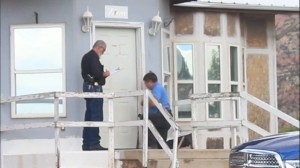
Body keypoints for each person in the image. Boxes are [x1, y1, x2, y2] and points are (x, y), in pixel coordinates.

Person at [81, 40, 110, 151]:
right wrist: (106, 74)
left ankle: (86, 144)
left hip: (88, 87)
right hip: (94, 88)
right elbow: (97, 74)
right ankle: (93, 143)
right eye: (103, 50)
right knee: (95, 115)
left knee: (89, 115)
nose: (102, 53)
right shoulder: (93, 57)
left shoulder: (86, 57)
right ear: (100, 47)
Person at [142, 72, 173, 149]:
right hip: (165, 116)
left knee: (145, 121)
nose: (145, 85)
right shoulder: (158, 88)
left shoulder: (157, 88)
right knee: (161, 142)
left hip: (162, 116)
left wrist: (144, 101)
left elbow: (153, 102)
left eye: (146, 83)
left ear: (150, 81)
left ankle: (152, 146)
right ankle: (158, 149)